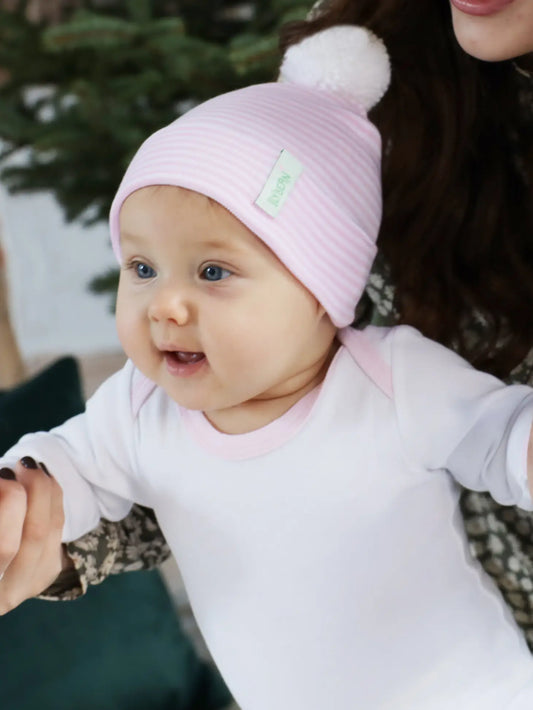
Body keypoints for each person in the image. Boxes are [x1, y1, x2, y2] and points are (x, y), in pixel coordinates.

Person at [1, 22, 533, 708]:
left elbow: (495, 435)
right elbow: (67, 465)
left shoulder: (391, 382)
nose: (164, 304)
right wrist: (18, 497)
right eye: (141, 267)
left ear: (323, 290)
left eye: (213, 271)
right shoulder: (139, 408)